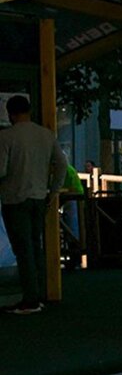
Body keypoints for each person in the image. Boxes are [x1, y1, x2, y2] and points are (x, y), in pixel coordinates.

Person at [0, 94, 67, 315]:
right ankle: (38, 294)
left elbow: (1, 170)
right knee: (35, 246)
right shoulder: (46, 135)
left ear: (11, 114)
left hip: (14, 198)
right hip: (39, 198)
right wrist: (53, 190)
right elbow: (61, 164)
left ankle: (29, 299)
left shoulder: (6, 137)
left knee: (23, 249)